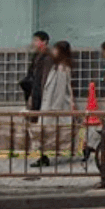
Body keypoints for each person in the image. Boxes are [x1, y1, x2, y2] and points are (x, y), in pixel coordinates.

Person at [31, 39, 75, 167]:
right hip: (49, 106)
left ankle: (44, 157)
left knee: (50, 134)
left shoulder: (62, 68)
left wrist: (54, 109)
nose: (53, 51)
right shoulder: (57, 66)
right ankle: (43, 157)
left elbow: (60, 91)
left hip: (53, 108)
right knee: (47, 134)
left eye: (55, 49)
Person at [26, 31, 54, 113]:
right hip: (35, 90)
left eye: (36, 40)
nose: (34, 43)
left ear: (44, 42)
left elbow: (46, 77)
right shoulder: (36, 56)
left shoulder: (49, 57)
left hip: (43, 92)